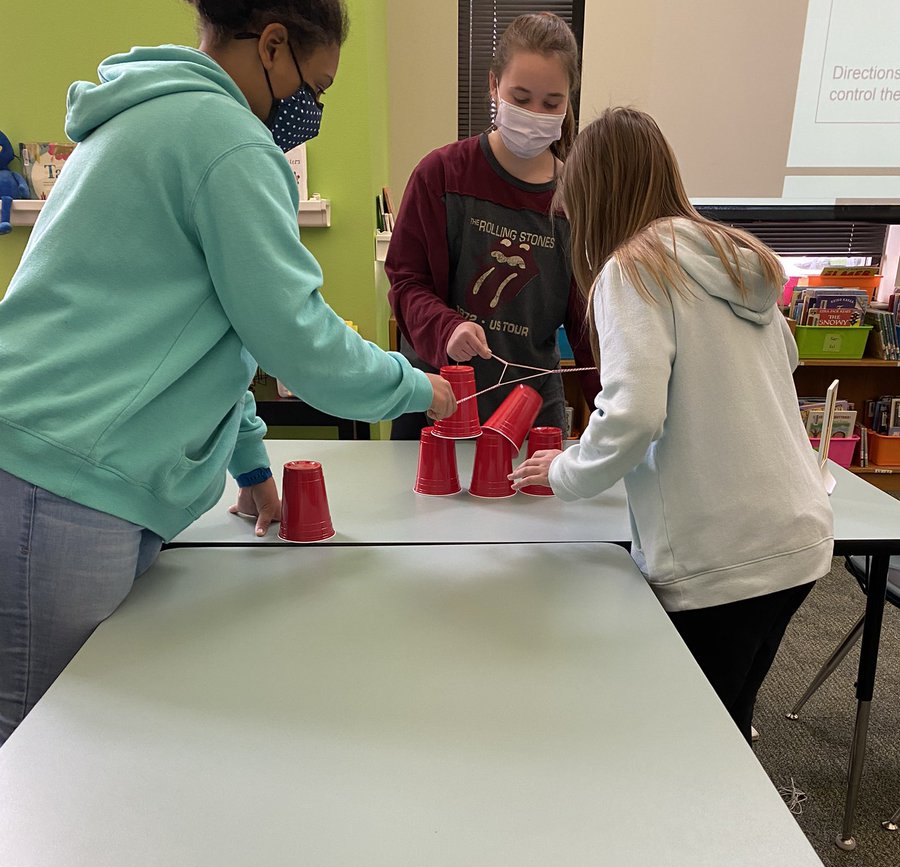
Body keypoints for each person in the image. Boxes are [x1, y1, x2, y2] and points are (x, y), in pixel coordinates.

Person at [0, 0, 456, 749]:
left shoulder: (143, 115)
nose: (314, 112)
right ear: (272, 46)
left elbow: (204, 324)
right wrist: (416, 385)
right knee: (44, 748)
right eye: (319, 88)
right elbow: (295, 340)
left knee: (68, 739)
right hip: (64, 480)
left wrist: (248, 461)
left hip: (47, 457)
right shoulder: (230, 143)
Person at [512, 107, 834, 743]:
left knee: (686, 740)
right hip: (798, 538)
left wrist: (566, 471)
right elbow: (788, 361)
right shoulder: (730, 256)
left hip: (723, 557)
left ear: (596, 195)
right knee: (726, 727)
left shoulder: (633, 269)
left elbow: (634, 413)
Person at [384, 10, 598, 440]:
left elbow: (588, 325)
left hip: (531, 419)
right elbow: (406, 283)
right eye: (520, 98)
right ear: (493, 85)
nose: (535, 113)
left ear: (568, 102)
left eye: (551, 103)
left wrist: (617, 411)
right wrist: (448, 327)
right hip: (439, 405)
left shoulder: (577, 200)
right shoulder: (442, 175)